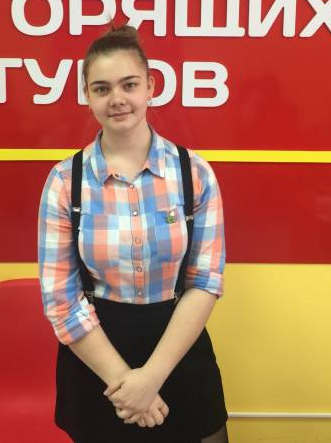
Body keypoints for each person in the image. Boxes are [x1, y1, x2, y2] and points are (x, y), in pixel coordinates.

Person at [38, 25, 228, 443]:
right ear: (87, 95)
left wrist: (151, 378)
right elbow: (60, 299)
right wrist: (125, 383)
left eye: (129, 84)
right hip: (97, 360)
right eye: (102, 88)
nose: (117, 99)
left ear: (150, 87)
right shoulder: (64, 182)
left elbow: (204, 281)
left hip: (179, 349)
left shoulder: (194, 173)